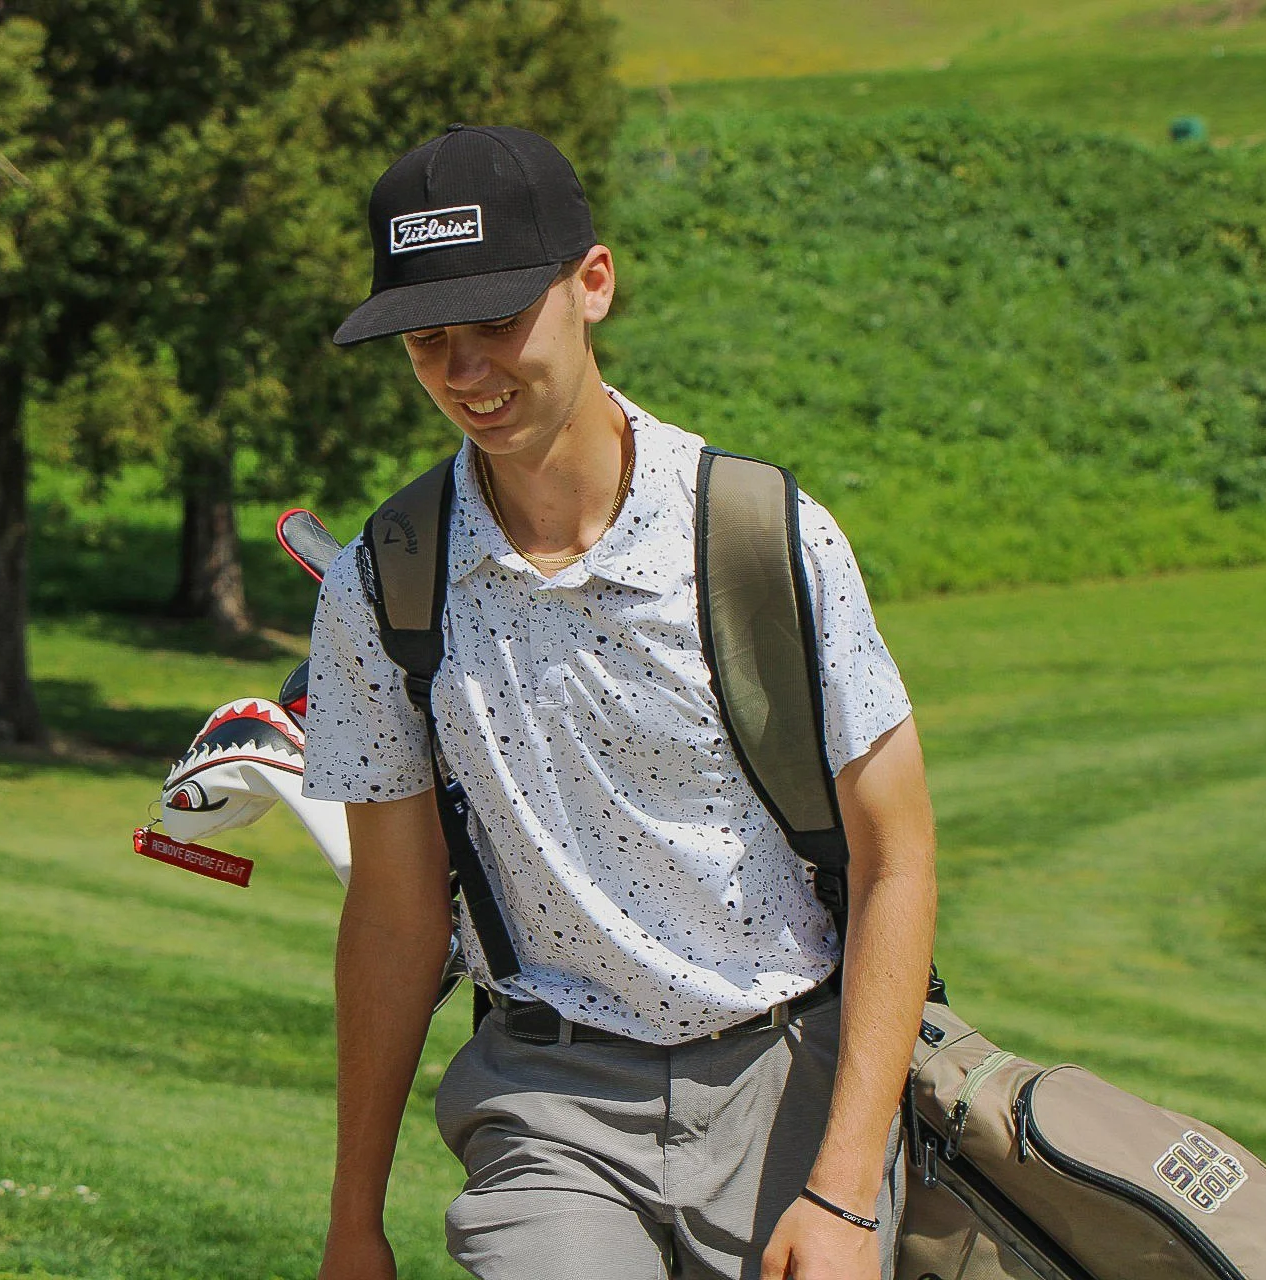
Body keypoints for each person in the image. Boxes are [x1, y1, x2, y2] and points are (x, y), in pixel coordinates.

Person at [304, 123, 938, 1280]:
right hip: (551, 1098)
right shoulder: (384, 584)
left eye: (498, 320)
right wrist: (354, 1221)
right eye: (428, 339)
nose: (465, 371)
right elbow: (395, 912)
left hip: (792, 1078)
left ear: (592, 282)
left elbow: (896, 857)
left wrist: (846, 1193)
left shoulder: (762, 537)